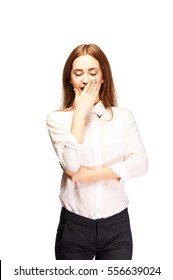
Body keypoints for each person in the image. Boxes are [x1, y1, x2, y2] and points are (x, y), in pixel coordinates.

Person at [46, 43, 148, 260]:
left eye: (93, 73)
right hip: (74, 228)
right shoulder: (57, 119)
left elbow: (140, 163)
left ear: (103, 77)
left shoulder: (122, 117)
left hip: (116, 227)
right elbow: (72, 165)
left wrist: (88, 176)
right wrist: (81, 111)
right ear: (69, 79)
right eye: (78, 73)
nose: (85, 80)